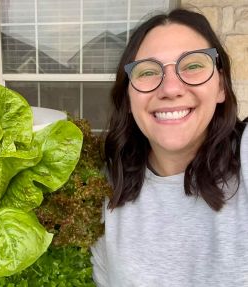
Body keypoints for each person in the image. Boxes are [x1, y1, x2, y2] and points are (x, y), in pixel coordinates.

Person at [90, 8, 248, 287]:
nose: (170, 88)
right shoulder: (107, 187)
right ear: (128, 97)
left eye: (193, 65)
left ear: (221, 86)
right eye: (148, 72)